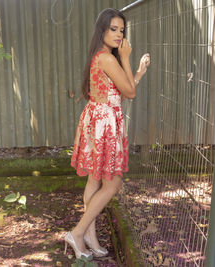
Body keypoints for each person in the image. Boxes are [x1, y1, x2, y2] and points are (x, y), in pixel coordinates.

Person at [66, 8, 150, 259]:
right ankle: (78, 232)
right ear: (102, 29)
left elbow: (121, 90)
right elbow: (131, 93)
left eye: (122, 30)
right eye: (113, 29)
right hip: (105, 124)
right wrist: (126, 57)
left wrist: (139, 72)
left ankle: (89, 235)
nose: (118, 34)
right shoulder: (108, 58)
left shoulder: (101, 56)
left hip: (100, 120)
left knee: (95, 180)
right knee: (112, 183)